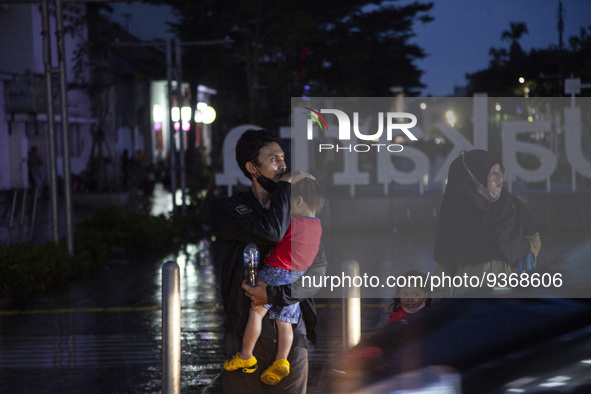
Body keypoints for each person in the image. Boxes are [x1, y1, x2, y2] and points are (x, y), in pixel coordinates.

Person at [213, 128, 327, 393]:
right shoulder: (235, 208)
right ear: (252, 168)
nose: (283, 165)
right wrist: (286, 188)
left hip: (290, 334)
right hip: (244, 331)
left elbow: (319, 272)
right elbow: (271, 230)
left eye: (283, 158)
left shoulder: (303, 212)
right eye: (273, 159)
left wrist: (275, 294)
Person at [223, 177, 324, 386]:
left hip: (277, 270)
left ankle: (246, 354)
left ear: (296, 201)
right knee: (285, 321)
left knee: (257, 310)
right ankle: (281, 360)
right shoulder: (317, 228)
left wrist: (274, 204)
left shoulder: (292, 222)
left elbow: (273, 229)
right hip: (297, 275)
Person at [433, 149, 541, 297]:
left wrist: (523, 251)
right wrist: (439, 311)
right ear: (475, 177)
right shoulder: (456, 215)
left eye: (500, 172)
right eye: (493, 174)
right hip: (470, 307)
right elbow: (443, 269)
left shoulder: (511, 206)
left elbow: (533, 237)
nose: (500, 178)